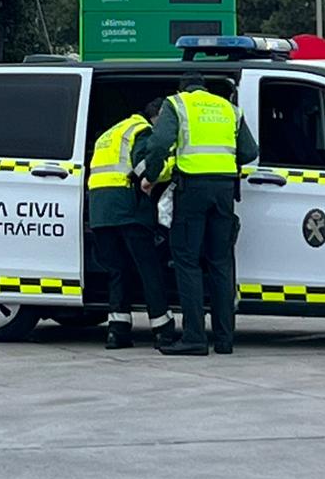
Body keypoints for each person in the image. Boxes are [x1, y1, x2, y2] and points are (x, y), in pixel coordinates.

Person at [141, 74, 258, 356]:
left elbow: (159, 144)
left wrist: (151, 176)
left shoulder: (177, 104)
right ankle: (224, 340)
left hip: (192, 188)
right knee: (221, 263)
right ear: (205, 88)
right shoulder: (228, 108)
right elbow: (249, 151)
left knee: (187, 261)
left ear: (181, 88)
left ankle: (194, 337)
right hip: (224, 190)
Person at [88, 101, 178, 349]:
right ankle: (163, 331)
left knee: (117, 271)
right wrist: (173, 167)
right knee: (149, 269)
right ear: (157, 116)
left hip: (100, 212)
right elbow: (144, 167)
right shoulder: (141, 130)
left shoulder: (110, 133)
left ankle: (117, 332)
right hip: (127, 208)